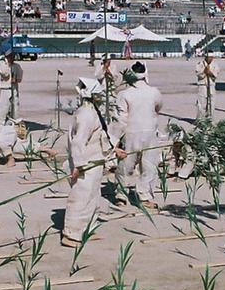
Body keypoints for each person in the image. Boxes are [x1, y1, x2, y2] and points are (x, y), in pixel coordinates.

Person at [62, 79, 125, 247]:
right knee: (80, 197)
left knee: (92, 197)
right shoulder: (86, 115)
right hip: (86, 164)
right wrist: (77, 165)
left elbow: (102, 136)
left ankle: (86, 229)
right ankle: (71, 234)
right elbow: (78, 142)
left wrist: (114, 151)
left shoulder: (92, 111)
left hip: (95, 161)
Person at [115, 61, 163, 208]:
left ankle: (121, 194)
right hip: (149, 132)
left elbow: (121, 117)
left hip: (131, 132)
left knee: (126, 165)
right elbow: (158, 107)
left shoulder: (124, 94)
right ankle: (144, 196)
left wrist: (116, 138)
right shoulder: (155, 92)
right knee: (148, 165)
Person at [0, 52, 22, 123]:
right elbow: (5, 74)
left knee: (15, 106)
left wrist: (15, 77)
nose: (12, 58)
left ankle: (14, 121)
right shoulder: (2, 65)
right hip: (5, 88)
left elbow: (19, 78)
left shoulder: (17, 66)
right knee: (3, 106)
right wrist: (7, 64)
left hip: (14, 88)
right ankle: (1, 123)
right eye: (10, 57)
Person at [195, 52, 220, 118]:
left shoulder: (215, 65)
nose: (210, 59)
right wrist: (204, 72)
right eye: (209, 57)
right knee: (201, 102)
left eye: (212, 57)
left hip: (211, 85)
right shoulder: (200, 64)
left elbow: (215, 74)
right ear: (206, 57)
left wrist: (210, 73)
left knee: (211, 102)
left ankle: (210, 118)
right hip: (202, 85)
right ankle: (200, 118)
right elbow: (199, 75)